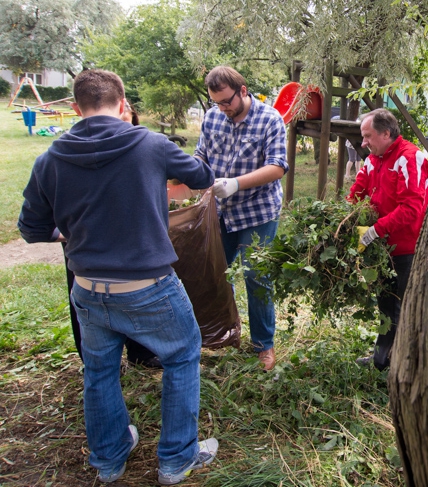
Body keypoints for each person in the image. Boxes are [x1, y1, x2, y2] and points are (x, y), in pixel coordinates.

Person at [18, 69, 219, 484]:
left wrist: (68, 232)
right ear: (124, 104)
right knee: (182, 356)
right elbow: (202, 177)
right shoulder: (151, 143)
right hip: (149, 287)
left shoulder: (50, 158)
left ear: (77, 108)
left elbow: (33, 228)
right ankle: (176, 459)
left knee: (100, 370)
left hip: (89, 290)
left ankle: (109, 460)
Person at [195, 66, 289, 371]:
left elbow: (277, 167)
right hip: (220, 212)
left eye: (226, 102)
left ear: (243, 91)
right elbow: (201, 157)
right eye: (216, 103)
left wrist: (235, 183)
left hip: (257, 212)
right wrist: (188, 171)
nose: (222, 109)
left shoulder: (269, 119)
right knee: (213, 273)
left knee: (256, 277)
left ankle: (264, 345)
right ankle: (223, 332)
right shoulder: (212, 118)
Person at [63, 98, 161, 369]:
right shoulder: (74, 148)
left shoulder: (143, 147)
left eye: (129, 124)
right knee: (89, 308)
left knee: (134, 301)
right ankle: (97, 360)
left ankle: (140, 351)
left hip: (130, 246)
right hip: (88, 248)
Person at [347, 109, 428, 370]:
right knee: (385, 301)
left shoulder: (410, 158)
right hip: (382, 246)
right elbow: (358, 190)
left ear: (386, 133)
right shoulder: (375, 158)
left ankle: (395, 363)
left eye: (367, 136)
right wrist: (347, 215)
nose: (363, 143)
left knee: (400, 306)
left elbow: (412, 208)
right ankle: (383, 356)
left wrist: (374, 231)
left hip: (406, 248)